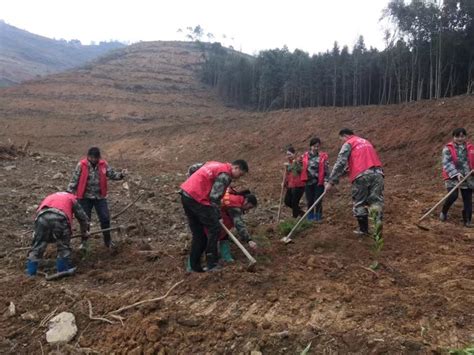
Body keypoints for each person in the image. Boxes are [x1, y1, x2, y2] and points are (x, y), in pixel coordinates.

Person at [180, 160, 248, 272]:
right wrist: (217, 215)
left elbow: (193, 168)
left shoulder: (214, 164)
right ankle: (212, 264)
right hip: (197, 198)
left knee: (199, 234)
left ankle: (194, 267)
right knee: (215, 229)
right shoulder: (225, 175)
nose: (239, 178)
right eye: (240, 174)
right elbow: (214, 197)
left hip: (186, 195)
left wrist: (193, 183)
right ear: (235, 168)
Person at [325, 129, 384, 235]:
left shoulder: (349, 143)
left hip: (361, 176)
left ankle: (363, 230)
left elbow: (340, 162)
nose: (342, 142)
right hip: (378, 174)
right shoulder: (366, 142)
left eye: (341, 139)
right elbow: (363, 160)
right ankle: (377, 230)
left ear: (345, 136)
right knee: (375, 201)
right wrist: (346, 172)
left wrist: (331, 181)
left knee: (359, 202)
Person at [67, 147, 126, 248]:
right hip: (84, 197)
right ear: (88, 157)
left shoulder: (103, 165)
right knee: (85, 220)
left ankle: (108, 241)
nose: (93, 159)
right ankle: (84, 242)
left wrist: (121, 175)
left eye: (96, 158)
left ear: (99, 157)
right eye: (91, 157)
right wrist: (68, 193)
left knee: (105, 218)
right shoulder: (81, 165)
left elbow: (112, 174)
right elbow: (74, 179)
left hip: (100, 196)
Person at [26, 192, 89, 276]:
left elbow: (39, 212)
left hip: (41, 218)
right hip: (60, 218)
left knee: (37, 246)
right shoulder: (72, 199)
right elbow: (83, 218)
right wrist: (85, 232)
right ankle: (62, 270)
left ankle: (31, 272)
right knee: (63, 245)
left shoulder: (50, 196)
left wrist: (38, 235)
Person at [440, 128, 474, 227]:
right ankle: (444, 212)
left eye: (462, 136)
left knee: (467, 198)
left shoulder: (471, 147)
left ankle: (467, 220)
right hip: (452, 176)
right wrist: (456, 174)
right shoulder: (448, 148)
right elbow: (447, 163)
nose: (460, 138)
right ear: (453, 137)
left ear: (465, 137)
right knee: (453, 195)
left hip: (468, 176)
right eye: (457, 136)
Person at [218, 188, 258, 262]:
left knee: (224, 236)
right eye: (249, 207)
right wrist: (249, 240)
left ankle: (226, 257)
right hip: (211, 216)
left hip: (220, 215)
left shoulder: (236, 197)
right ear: (246, 201)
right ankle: (196, 264)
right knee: (206, 238)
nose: (248, 210)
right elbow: (238, 223)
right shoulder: (234, 204)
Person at [301, 138, 329, 222]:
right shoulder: (304, 156)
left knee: (318, 200)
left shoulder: (323, 156)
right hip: (308, 182)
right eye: (314, 146)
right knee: (310, 200)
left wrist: (326, 180)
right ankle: (310, 217)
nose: (316, 148)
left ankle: (318, 217)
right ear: (310, 146)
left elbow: (326, 169)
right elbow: (298, 166)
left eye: (317, 146)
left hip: (318, 182)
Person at [283, 146, 305, 218]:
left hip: (299, 185)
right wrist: (284, 183)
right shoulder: (288, 164)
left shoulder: (298, 161)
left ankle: (294, 217)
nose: (288, 156)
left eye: (290, 154)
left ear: (294, 154)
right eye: (287, 154)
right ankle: (301, 212)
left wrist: (295, 163)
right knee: (287, 201)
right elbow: (287, 176)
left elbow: (300, 170)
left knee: (294, 202)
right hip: (290, 185)